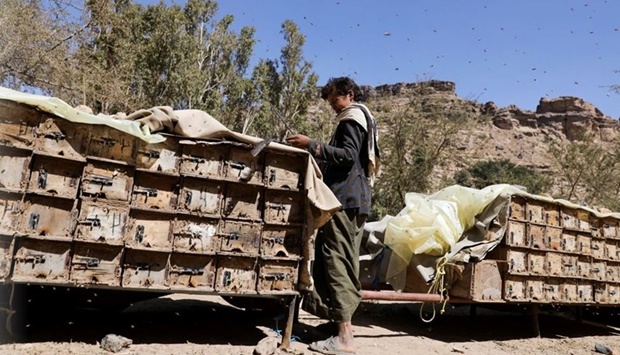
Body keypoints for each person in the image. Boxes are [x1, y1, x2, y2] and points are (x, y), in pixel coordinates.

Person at [286, 76, 380, 355]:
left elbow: (347, 156)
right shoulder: (364, 118)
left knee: (334, 261)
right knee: (345, 262)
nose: (334, 109)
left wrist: (311, 145)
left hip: (345, 199)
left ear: (348, 95)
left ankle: (344, 338)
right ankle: (337, 324)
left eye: (335, 102)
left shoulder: (352, 118)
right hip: (357, 200)